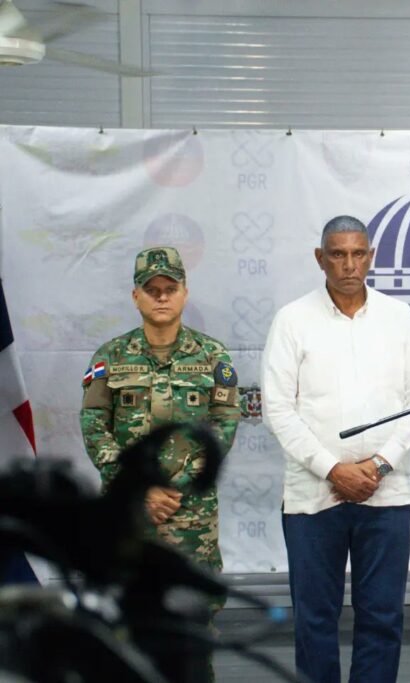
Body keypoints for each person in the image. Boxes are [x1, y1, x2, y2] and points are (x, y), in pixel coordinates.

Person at [261, 215, 410, 683]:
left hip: (387, 492)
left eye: (358, 254)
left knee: (382, 617)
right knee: (315, 619)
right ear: (320, 259)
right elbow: (278, 409)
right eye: (338, 254)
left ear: (371, 257)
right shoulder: (293, 320)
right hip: (314, 496)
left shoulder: (400, 318)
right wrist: (332, 469)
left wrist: (379, 465)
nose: (349, 264)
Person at [80, 246, 241, 680]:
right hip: (128, 517)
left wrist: (180, 486)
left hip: (192, 520)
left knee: (194, 626)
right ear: (136, 297)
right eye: (152, 290)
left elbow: (224, 425)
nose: (162, 297)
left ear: (185, 293)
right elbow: (94, 425)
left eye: (170, 288)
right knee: (125, 626)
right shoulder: (110, 357)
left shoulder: (213, 356)